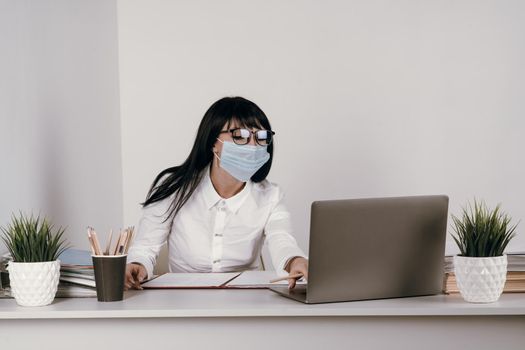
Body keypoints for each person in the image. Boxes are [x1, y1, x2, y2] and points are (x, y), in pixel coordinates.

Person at [125, 96, 308, 290]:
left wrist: (294, 261)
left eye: (261, 137)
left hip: (244, 302)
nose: (253, 146)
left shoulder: (270, 195)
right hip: (181, 300)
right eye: (239, 136)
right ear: (213, 141)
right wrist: (137, 265)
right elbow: (145, 248)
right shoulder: (175, 188)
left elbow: (282, 239)